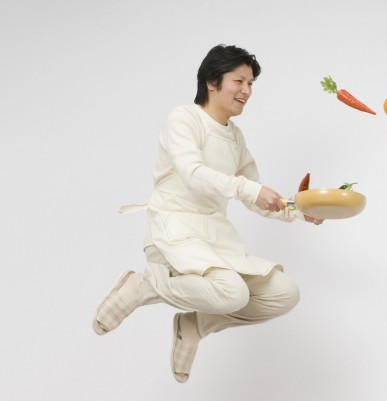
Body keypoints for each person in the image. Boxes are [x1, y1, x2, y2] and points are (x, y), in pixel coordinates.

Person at [93, 44, 322, 383]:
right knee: (233, 292)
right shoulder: (184, 118)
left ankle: (196, 324)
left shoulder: (235, 137)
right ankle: (144, 286)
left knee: (285, 293)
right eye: (239, 81)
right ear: (212, 82)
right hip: (173, 230)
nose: (247, 91)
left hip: (215, 239)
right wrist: (250, 190)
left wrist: (300, 210)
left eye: (251, 84)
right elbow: (193, 173)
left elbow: (254, 195)